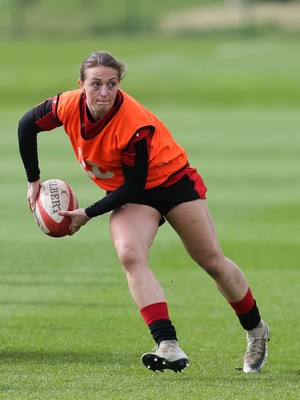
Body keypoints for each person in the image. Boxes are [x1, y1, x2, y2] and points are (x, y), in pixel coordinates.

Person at [18, 50, 270, 374]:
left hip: (172, 183)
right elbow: (27, 125)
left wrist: (88, 213)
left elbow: (134, 187)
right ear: (81, 84)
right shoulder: (67, 105)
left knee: (211, 261)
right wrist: (33, 180)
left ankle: (256, 330)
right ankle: (168, 344)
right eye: (96, 84)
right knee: (129, 254)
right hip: (134, 194)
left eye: (112, 84)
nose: (104, 93)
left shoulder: (132, 124)